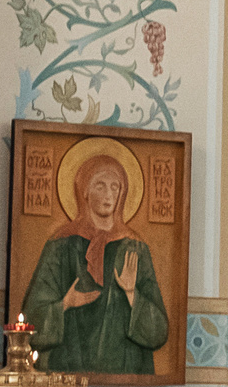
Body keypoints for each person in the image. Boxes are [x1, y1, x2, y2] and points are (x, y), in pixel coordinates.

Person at [21, 151, 171, 375]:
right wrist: (65, 304)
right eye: (100, 186)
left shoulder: (135, 249)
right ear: (85, 191)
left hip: (127, 376)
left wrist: (132, 294)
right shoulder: (60, 246)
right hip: (64, 371)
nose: (108, 195)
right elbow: (29, 322)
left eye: (115, 187)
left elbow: (159, 331)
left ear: (122, 193)